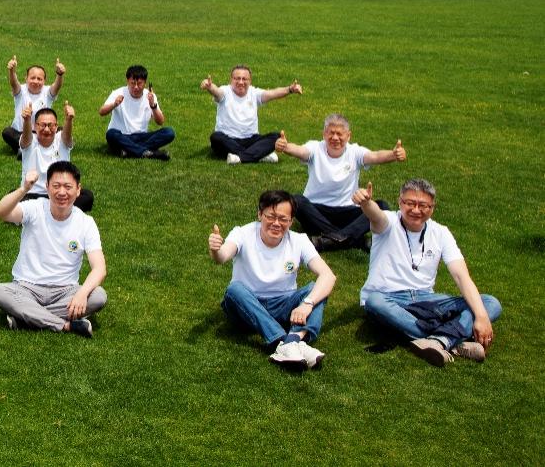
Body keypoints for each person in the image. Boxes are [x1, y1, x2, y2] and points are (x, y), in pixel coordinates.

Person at [355, 179, 501, 367]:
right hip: (389, 298)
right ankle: (451, 339)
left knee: (490, 303)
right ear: (400, 202)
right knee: (374, 301)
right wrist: (366, 203)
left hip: (426, 301)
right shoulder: (388, 222)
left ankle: (439, 341)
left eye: (423, 205)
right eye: (410, 203)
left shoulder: (441, 232)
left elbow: (461, 276)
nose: (416, 210)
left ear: (432, 208)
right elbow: (375, 215)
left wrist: (481, 316)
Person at [207, 189, 336, 370]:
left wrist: (307, 304)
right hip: (247, 306)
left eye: (283, 219)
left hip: (284, 305)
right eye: (271, 217)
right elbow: (222, 257)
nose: (276, 223)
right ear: (260, 214)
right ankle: (287, 342)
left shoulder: (299, 240)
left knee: (315, 289)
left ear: (291, 221)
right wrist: (215, 250)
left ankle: (292, 341)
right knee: (234, 290)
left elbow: (328, 275)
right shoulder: (242, 233)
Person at [0, 162, 106, 337]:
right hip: (27, 288)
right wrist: (24, 188)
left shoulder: (86, 223)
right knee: (0, 291)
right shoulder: (34, 208)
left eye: (68, 187)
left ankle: (26, 318)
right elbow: (0, 213)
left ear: (78, 190)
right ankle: (65, 325)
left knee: (98, 295)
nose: (62, 192)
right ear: (47, 187)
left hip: (65, 291)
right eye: (56, 186)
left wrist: (82, 294)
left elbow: (99, 268)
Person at [275, 114, 407, 251]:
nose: (335, 138)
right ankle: (356, 241)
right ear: (324, 134)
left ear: (348, 136)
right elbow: (300, 151)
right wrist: (286, 147)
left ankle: (330, 240)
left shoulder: (355, 151)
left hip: (347, 211)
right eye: (331, 133)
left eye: (339, 134)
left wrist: (393, 155)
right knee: (296, 200)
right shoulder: (315, 148)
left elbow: (375, 156)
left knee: (381, 206)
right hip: (317, 211)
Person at [201, 66, 302, 164]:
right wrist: (210, 87)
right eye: (237, 78)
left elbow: (272, 93)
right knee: (216, 137)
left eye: (244, 79)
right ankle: (258, 155)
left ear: (250, 81)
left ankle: (240, 157)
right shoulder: (225, 91)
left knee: (276, 137)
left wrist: (290, 89)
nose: (241, 82)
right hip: (228, 140)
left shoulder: (254, 93)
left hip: (251, 139)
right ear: (231, 80)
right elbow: (216, 92)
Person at [19, 103, 94, 211]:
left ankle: (47, 210)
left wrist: (69, 119)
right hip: (33, 194)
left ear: (56, 126)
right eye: (42, 125)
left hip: (58, 194)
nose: (46, 129)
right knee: (14, 196)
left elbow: (67, 137)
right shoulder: (30, 141)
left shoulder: (61, 140)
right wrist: (26, 120)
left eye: (50, 125)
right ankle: (57, 210)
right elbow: (26, 139)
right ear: (35, 126)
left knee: (87, 196)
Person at [99, 64, 175, 160]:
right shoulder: (118, 93)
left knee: (169, 132)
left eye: (139, 84)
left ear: (145, 83)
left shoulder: (150, 96)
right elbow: (101, 112)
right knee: (111, 134)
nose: (135, 87)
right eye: (132, 83)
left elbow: (160, 121)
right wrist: (114, 104)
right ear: (127, 81)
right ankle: (149, 153)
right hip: (122, 136)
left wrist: (153, 106)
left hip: (141, 136)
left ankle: (129, 151)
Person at [2, 56, 64, 154]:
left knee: (62, 131)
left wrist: (59, 74)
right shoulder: (21, 90)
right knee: (7, 132)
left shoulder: (47, 91)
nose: (36, 81)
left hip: (42, 132)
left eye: (39, 79)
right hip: (21, 132)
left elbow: (57, 87)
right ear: (26, 79)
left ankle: (24, 149)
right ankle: (33, 147)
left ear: (44, 81)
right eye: (32, 78)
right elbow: (14, 84)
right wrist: (12, 71)